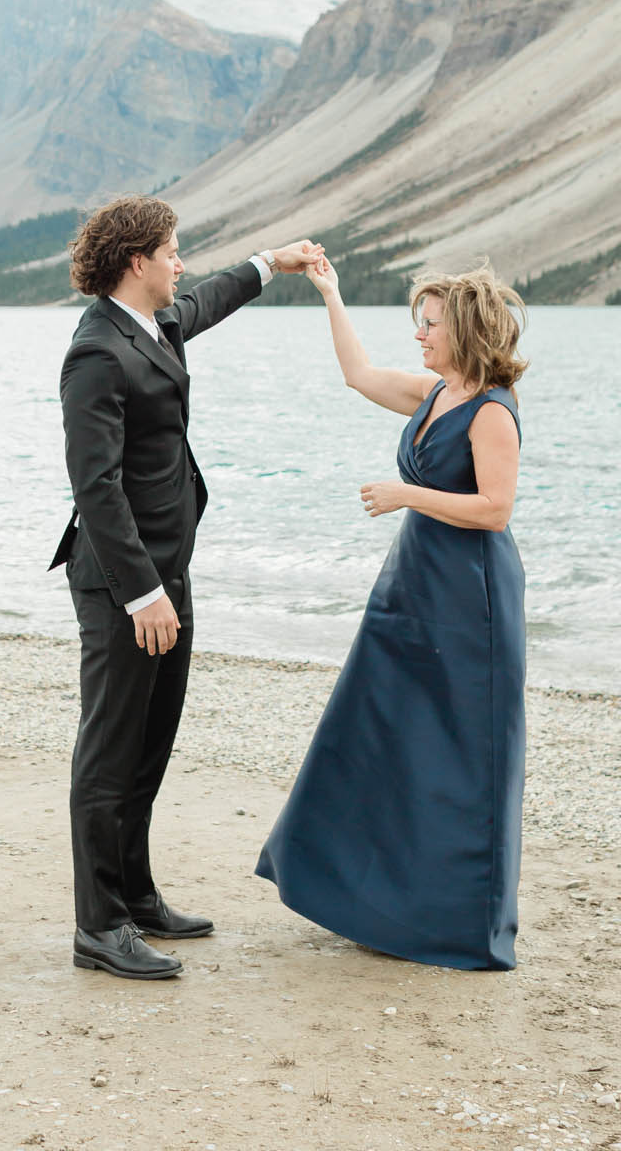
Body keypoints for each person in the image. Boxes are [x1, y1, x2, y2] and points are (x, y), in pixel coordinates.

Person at [52, 195, 322, 980]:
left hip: (170, 573)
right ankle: (97, 928)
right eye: (173, 251)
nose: (182, 263)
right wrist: (141, 594)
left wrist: (278, 261)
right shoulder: (97, 352)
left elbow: (209, 300)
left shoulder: (154, 324)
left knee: (150, 744)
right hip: (124, 588)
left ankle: (134, 896)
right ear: (137, 261)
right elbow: (95, 486)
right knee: (108, 753)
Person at [256, 257, 528, 970]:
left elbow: (496, 510)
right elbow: (358, 374)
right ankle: (375, 904)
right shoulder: (436, 393)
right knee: (381, 737)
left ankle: (460, 927)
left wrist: (409, 496)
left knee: (461, 759)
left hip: (470, 601)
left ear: (462, 330)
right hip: (411, 590)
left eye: (429, 325)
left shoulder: (492, 409)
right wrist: (331, 294)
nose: (419, 337)